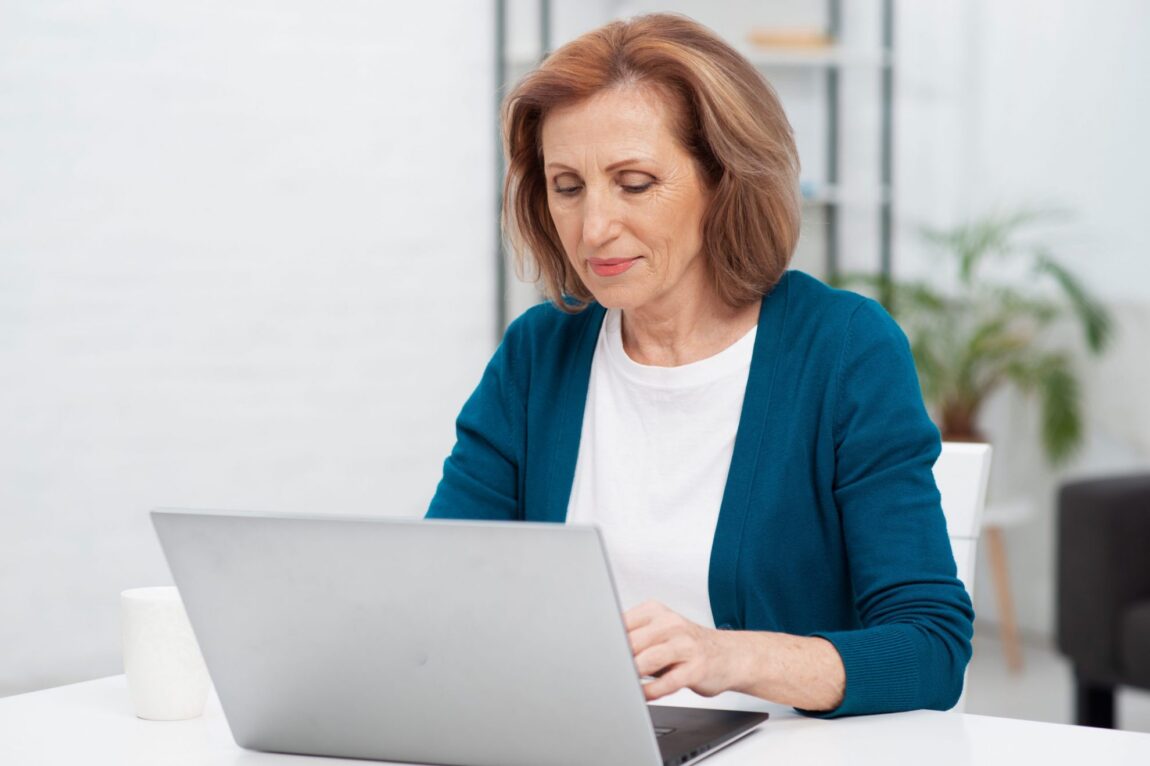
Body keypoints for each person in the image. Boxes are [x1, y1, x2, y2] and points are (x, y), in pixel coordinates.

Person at [426, 13, 973, 717]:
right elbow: (442, 592)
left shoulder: (843, 350)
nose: (594, 229)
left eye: (634, 183)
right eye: (567, 186)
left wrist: (727, 657)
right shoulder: (539, 354)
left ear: (725, 181)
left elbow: (931, 647)